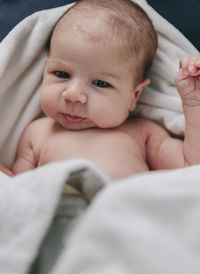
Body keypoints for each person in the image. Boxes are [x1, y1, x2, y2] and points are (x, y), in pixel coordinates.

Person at [0, 0, 200, 180]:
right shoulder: (36, 132)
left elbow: (191, 170)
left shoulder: (143, 134)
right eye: (61, 74)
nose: (73, 94)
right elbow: (19, 191)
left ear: (134, 96)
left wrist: (193, 104)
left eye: (101, 83)